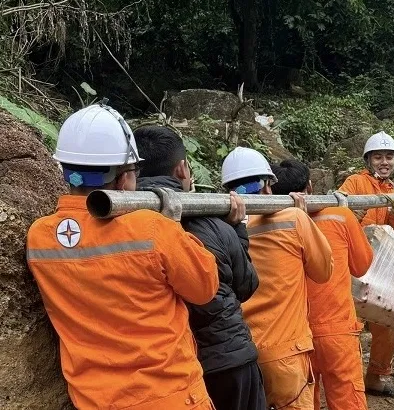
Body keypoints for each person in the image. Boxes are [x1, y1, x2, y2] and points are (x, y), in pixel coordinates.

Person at [26, 104, 220, 409]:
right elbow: (205, 286)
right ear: (123, 178)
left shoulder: (40, 238)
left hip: (94, 401)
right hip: (169, 396)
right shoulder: (151, 229)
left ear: (66, 171)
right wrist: (173, 227)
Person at [133, 126, 266, 410]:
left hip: (161, 374)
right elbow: (245, 286)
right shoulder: (213, 224)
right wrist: (237, 232)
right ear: (182, 169)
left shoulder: (120, 226)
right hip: (228, 358)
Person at [222, 147, 333, 409]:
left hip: (242, 354)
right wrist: (305, 219)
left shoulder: (221, 227)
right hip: (286, 353)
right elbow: (323, 271)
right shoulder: (293, 218)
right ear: (268, 185)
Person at [270, 159, 373, 410]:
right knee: (347, 397)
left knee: (305, 400)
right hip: (337, 328)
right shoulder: (339, 215)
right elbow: (362, 266)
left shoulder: (264, 223)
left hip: (293, 335)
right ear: (310, 185)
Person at [337, 130, 394, 398]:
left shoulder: (393, 190)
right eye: (378, 157)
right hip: (353, 264)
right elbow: (340, 211)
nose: (384, 162)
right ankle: (349, 379)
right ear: (368, 161)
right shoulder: (355, 182)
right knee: (350, 325)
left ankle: (376, 377)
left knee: (387, 324)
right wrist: (355, 213)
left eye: (389, 157)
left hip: (381, 268)